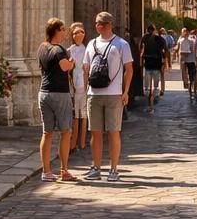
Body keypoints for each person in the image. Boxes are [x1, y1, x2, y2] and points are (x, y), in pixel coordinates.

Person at [83, 11, 133, 181]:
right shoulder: (91, 44)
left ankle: (113, 169)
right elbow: (85, 68)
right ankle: (96, 167)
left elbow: (129, 69)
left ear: (108, 24)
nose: (96, 25)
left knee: (113, 132)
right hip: (94, 94)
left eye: (99, 23)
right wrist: (85, 91)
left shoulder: (121, 44)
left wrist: (125, 92)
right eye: (96, 23)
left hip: (114, 94)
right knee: (95, 132)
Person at [37, 18, 76, 182]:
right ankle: (64, 170)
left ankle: (46, 172)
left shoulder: (42, 47)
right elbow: (64, 66)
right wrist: (72, 62)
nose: (65, 32)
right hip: (60, 94)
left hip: (44, 93)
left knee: (47, 133)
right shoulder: (59, 50)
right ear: (57, 31)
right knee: (66, 131)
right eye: (63, 29)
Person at [67, 22, 88, 157]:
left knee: (83, 115)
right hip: (73, 82)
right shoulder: (69, 50)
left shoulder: (87, 49)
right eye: (75, 33)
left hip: (83, 83)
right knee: (75, 115)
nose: (78, 35)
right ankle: (73, 143)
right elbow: (68, 68)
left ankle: (82, 142)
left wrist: (86, 84)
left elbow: (87, 68)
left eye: (81, 32)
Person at [140, 26, 166, 115]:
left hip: (148, 65)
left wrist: (141, 61)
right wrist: (164, 63)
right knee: (154, 86)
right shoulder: (160, 39)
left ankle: (150, 103)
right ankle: (151, 103)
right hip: (156, 65)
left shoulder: (145, 38)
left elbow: (141, 50)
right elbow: (164, 51)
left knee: (147, 87)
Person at [178, 27, 197, 99]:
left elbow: (195, 51)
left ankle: (193, 91)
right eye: (184, 32)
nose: (185, 33)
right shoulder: (181, 40)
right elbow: (179, 50)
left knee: (193, 77)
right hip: (186, 60)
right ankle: (191, 90)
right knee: (189, 76)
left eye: (186, 32)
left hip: (191, 60)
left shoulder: (191, 41)